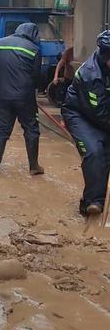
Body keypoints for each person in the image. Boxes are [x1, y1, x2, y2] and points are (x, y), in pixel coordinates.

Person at [0, 23, 44, 175]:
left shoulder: (0, 44)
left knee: (1, 130)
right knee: (31, 129)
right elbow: (36, 77)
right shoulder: (34, 50)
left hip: (2, 96)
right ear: (32, 34)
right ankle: (34, 166)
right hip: (25, 97)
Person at [62, 31, 110, 216]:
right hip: (81, 114)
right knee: (95, 151)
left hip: (102, 114)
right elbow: (100, 114)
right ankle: (93, 201)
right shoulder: (91, 75)